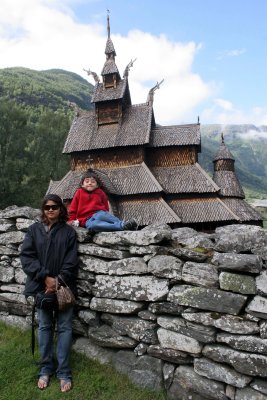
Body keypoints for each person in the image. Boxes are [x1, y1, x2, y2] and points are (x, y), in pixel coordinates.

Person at [20, 194, 79, 392]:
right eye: (47, 207)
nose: (51, 210)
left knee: (64, 328)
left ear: (61, 209)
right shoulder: (33, 230)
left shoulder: (69, 233)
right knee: (44, 326)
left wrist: (58, 281)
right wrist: (45, 277)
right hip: (40, 287)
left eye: (54, 207)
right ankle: (45, 369)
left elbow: (71, 262)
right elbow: (27, 257)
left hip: (64, 288)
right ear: (43, 210)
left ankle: (64, 372)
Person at [68, 170, 137, 232]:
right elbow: (73, 210)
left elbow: (106, 207)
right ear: (82, 184)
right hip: (86, 220)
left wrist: (104, 214)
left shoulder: (100, 192)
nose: (90, 183)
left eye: (93, 181)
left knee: (103, 215)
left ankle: (124, 223)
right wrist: (72, 221)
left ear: (97, 185)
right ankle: (122, 226)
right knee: (93, 226)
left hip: (98, 213)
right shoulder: (79, 192)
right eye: (87, 181)